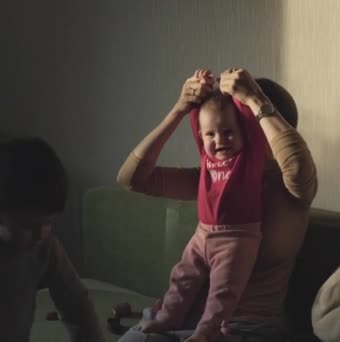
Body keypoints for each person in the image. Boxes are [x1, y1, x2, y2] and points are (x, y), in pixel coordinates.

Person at [116, 68, 317, 341]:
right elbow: (132, 179)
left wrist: (255, 100)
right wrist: (179, 110)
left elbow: (296, 165)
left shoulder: (293, 189)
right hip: (180, 319)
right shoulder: (216, 178)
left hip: (245, 330)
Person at [134, 69, 268, 342]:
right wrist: (201, 88)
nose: (219, 140)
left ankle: (207, 333)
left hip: (237, 238)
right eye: (211, 135)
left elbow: (251, 125)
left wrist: (239, 95)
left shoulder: (249, 160)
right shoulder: (206, 158)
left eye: (228, 132)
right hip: (203, 233)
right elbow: (198, 119)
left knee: (222, 291)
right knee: (181, 277)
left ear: (242, 134)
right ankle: (167, 317)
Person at [0, 137, 104, 342]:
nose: (40, 235)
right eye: (28, 226)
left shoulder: (45, 248)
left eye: (47, 223)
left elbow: (76, 304)